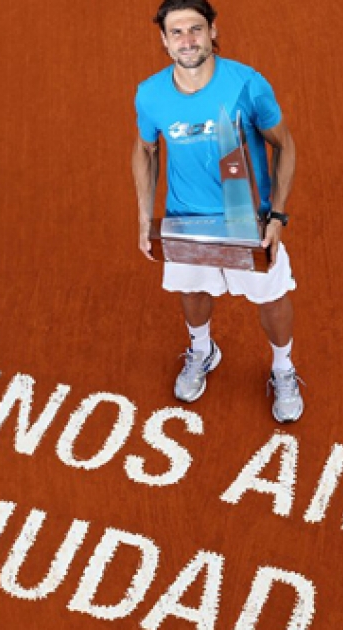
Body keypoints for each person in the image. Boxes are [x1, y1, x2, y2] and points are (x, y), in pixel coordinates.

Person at [131, 0, 304, 423]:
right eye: (177, 33)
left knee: (272, 297)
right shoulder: (150, 94)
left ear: (212, 32)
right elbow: (144, 148)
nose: (187, 40)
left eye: (195, 29)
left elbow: (284, 144)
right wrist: (143, 217)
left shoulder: (246, 84)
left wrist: (277, 215)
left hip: (250, 221)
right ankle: (202, 350)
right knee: (192, 293)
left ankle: (283, 368)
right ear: (165, 42)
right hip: (186, 219)